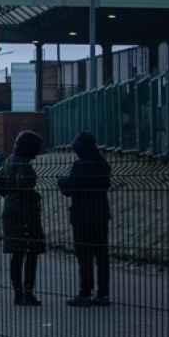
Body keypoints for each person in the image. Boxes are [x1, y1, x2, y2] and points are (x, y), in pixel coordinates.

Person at [0, 130, 47, 306]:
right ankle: (28, 292)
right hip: (26, 212)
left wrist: (8, 195)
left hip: (11, 210)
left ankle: (18, 293)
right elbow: (24, 186)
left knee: (16, 254)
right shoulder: (24, 165)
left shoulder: (9, 161)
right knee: (31, 252)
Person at [59, 131, 112, 306]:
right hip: (100, 214)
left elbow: (70, 189)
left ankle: (85, 292)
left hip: (81, 216)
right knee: (101, 255)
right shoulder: (102, 165)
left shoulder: (79, 166)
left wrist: (63, 182)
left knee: (84, 256)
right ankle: (103, 293)